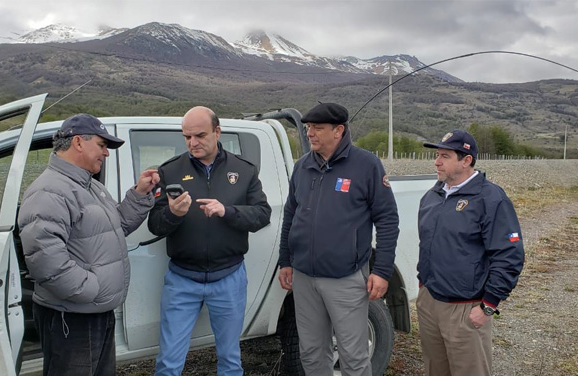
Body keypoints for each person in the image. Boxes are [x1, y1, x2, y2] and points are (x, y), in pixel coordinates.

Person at [18, 113, 160, 376]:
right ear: (78, 143)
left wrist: (140, 195)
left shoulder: (90, 187)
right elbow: (45, 259)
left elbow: (115, 226)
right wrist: (91, 290)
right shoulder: (50, 191)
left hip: (93, 311)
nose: (106, 153)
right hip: (73, 315)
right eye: (102, 145)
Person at [147, 106, 271, 376]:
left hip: (229, 278)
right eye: (187, 137)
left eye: (200, 135)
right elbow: (155, 224)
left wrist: (227, 211)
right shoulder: (170, 171)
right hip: (182, 280)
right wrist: (173, 214)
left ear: (217, 132)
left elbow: (263, 214)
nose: (193, 143)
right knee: (168, 362)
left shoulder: (244, 170)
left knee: (229, 360)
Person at [278, 102, 400, 376]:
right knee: (310, 353)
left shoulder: (366, 165)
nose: (310, 134)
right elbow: (290, 216)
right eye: (309, 128)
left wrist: (381, 271)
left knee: (353, 356)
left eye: (318, 128)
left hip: (345, 278)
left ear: (339, 131)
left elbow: (388, 220)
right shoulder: (302, 167)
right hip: (304, 277)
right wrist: (285, 261)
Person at [417, 130, 524, 375]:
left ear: (466, 160)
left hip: (465, 309)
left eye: (445, 156)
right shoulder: (432, 196)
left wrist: (488, 304)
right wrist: (424, 287)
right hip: (430, 302)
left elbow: (509, 255)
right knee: (435, 370)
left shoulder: (491, 198)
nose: (437, 161)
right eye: (437, 155)